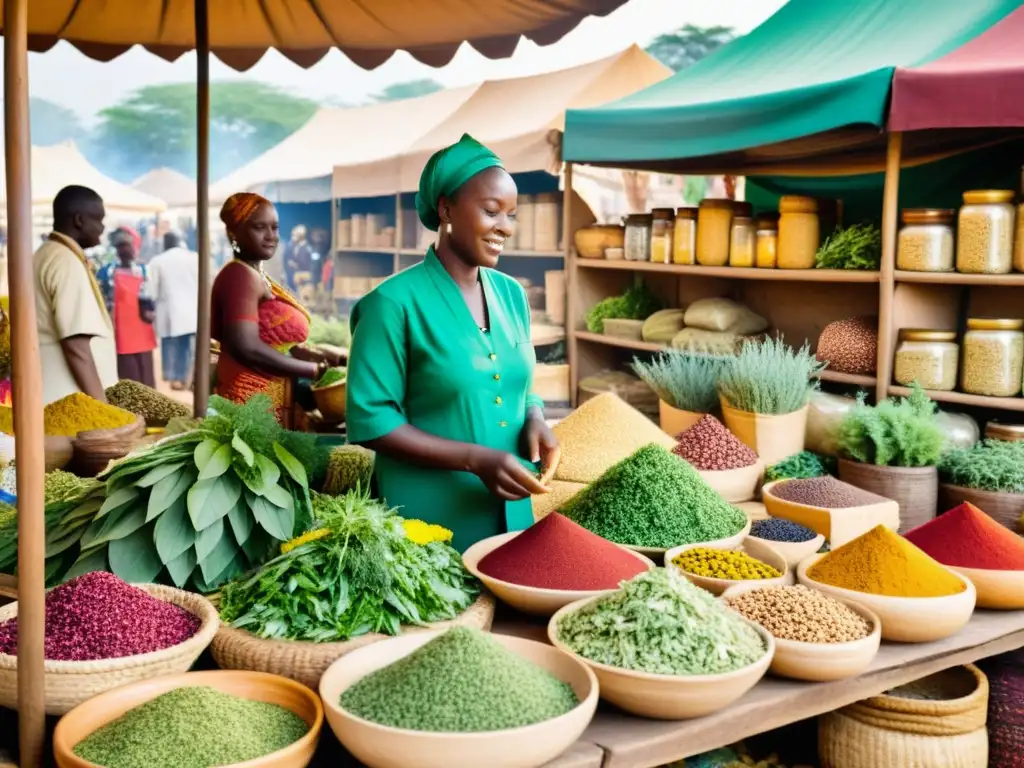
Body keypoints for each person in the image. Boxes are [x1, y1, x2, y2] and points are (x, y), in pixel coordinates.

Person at [345, 134, 557, 552]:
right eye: (491, 211)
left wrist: (535, 417)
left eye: (511, 215)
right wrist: (474, 458)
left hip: (510, 511)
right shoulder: (391, 304)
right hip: (427, 521)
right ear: (446, 209)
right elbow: (372, 421)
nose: (505, 227)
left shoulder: (512, 295)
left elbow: (521, 380)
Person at [211, 192, 341, 426]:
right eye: (259, 227)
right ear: (233, 233)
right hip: (248, 399)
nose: (271, 236)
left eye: (274, 227)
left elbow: (271, 339)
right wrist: (314, 369)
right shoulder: (239, 276)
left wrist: (318, 352)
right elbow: (246, 346)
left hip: (270, 398)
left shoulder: (256, 274)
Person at [33, 185, 118, 404]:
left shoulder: (47, 253)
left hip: (52, 394)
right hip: (68, 402)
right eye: (99, 220)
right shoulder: (65, 261)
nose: (102, 228)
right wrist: (102, 409)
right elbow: (76, 345)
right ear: (79, 220)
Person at [97, 227, 158, 388]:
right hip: (120, 331)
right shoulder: (106, 272)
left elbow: (150, 299)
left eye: (128, 245)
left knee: (145, 372)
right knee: (127, 373)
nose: (125, 250)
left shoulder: (144, 271)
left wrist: (149, 311)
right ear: (116, 249)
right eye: (121, 246)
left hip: (142, 330)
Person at [148, 231, 198, 390]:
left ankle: (174, 378)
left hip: (169, 310)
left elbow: (151, 290)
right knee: (187, 347)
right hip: (191, 310)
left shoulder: (157, 261)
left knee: (170, 346)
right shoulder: (194, 258)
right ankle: (185, 377)